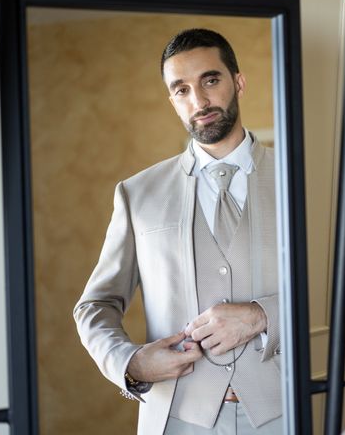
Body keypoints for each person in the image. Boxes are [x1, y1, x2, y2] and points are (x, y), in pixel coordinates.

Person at [74, 28, 282, 435]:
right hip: (176, 417)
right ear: (173, 101)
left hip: (281, 409)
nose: (199, 102)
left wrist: (262, 316)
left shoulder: (301, 178)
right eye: (181, 90)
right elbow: (94, 306)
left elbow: (336, 291)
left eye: (210, 80)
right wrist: (130, 362)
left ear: (237, 81)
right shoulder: (138, 194)